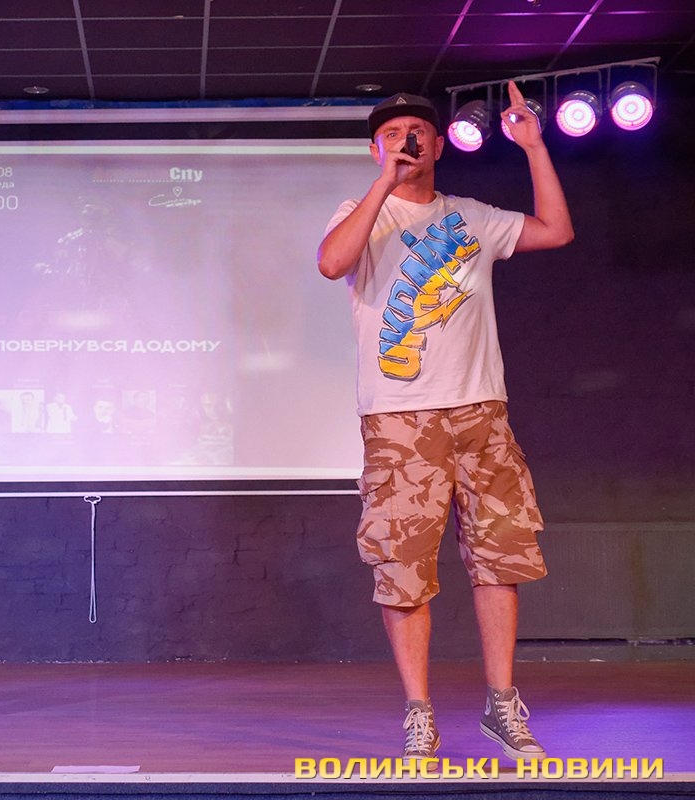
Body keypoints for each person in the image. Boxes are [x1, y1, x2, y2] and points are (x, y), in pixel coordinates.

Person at [316, 83, 573, 761]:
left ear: (438, 145)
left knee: (499, 557)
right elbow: (332, 262)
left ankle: (502, 704)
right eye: (391, 134)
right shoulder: (361, 214)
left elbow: (556, 230)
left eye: (417, 132)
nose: (407, 141)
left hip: (481, 409)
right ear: (375, 149)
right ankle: (419, 714)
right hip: (400, 420)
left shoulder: (472, 217)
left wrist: (533, 146)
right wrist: (384, 184)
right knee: (403, 569)